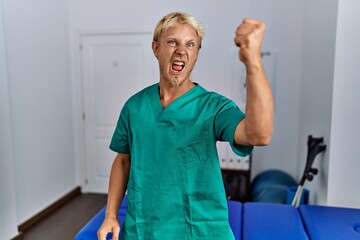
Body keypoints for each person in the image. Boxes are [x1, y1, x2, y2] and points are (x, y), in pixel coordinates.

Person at [98, 12, 273, 240]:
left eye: (191, 44)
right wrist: (111, 215)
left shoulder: (213, 107)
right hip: (144, 229)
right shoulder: (134, 107)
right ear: (155, 48)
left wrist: (253, 61)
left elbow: (259, 135)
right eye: (173, 42)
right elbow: (123, 160)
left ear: (197, 54)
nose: (182, 51)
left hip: (200, 231)